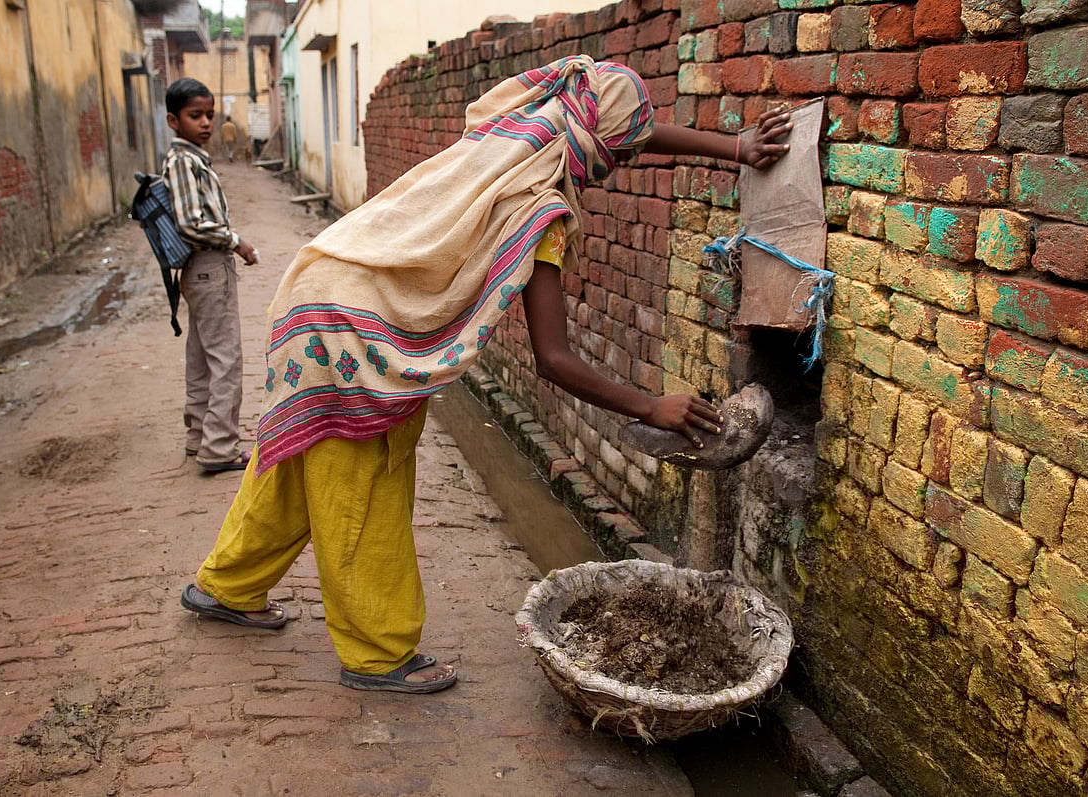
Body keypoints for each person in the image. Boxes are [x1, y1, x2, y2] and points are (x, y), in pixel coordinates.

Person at [179, 56, 792, 693]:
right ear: (596, 148)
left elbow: (626, 127)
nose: (622, 166)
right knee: (363, 481)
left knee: (300, 454)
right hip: (355, 333)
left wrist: (738, 148)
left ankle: (227, 586)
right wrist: (649, 406)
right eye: (622, 156)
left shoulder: (514, 132)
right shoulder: (537, 204)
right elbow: (553, 359)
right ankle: (377, 654)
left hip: (317, 291)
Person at [163, 78, 259, 473]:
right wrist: (236, 241)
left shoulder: (192, 158)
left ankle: (198, 436)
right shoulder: (184, 161)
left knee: (202, 357)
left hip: (198, 270)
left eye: (209, 115)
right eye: (194, 115)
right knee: (226, 359)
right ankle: (219, 447)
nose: (205, 123)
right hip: (207, 267)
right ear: (173, 120)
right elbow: (191, 223)